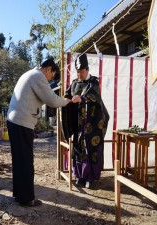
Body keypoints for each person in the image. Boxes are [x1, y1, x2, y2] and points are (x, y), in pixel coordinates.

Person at [7, 59, 71, 207]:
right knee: (26, 161)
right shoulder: (38, 76)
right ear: (48, 69)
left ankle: (19, 194)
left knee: (19, 160)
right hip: (21, 122)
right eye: (53, 75)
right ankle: (27, 198)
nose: (51, 79)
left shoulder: (30, 74)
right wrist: (67, 101)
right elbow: (52, 100)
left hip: (15, 121)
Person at [62, 53, 109, 189]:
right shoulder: (74, 83)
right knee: (77, 148)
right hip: (78, 122)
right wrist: (65, 98)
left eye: (82, 71)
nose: (79, 75)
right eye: (77, 72)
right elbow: (68, 94)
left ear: (87, 70)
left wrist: (82, 99)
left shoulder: (94, 82)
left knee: (91, 149)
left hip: (92, 123)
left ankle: (90, 177)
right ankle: (79, 176)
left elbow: (93, 96)